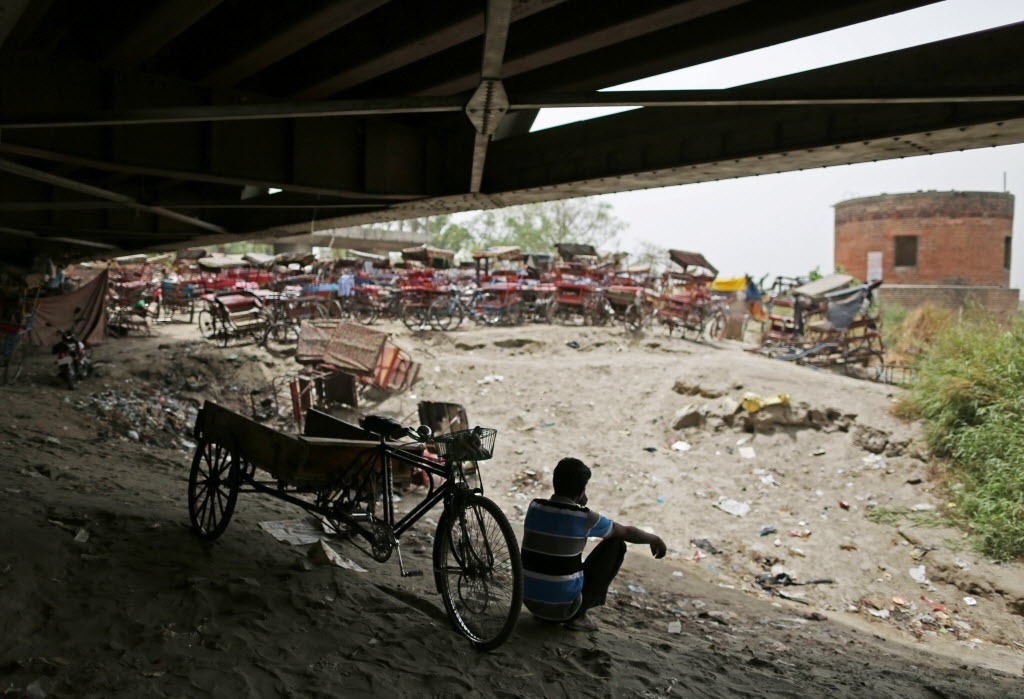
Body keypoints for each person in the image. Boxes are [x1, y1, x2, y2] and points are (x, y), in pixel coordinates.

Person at [521, 457, 667, 631]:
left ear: (555, 482)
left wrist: (577, 499)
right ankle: (579, 616)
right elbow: (627, 532)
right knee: (616, 544)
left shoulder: (535, 507)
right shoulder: (584, 517)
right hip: (566, 610)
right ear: (582, 490)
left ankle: (554, 606)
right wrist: (655, 539)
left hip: (530, 602)